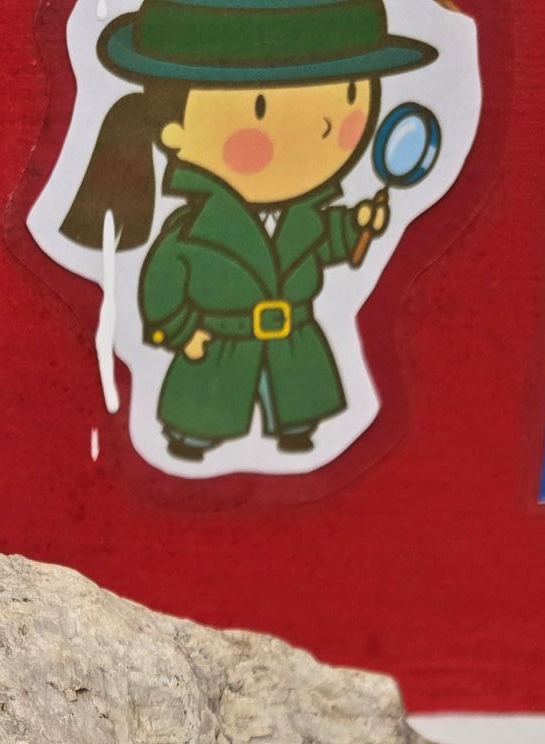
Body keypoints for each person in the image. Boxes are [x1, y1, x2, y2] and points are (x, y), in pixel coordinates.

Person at [63, 0, 436, 459]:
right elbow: (163, 282)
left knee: (297, 403)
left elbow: (320, 243)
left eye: (349, 98)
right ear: (175, 131)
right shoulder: (193, 229)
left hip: (294, 340)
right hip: (222, 340)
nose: (320, 127)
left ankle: (293, 430)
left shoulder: (305, 215)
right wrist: (179, 331)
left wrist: (355, 225)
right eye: (260, 106)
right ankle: (193, 438)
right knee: (206, 411)